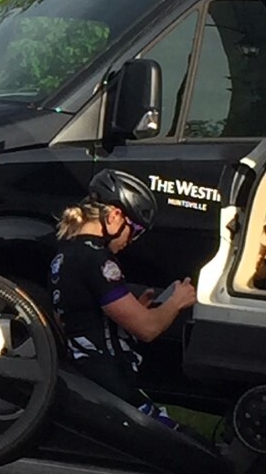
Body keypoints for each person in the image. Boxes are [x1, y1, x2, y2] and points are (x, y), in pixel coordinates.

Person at [49, 168, 197, 428]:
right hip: (110, 380)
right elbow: (147, 329)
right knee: (191, 452)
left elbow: (73, 319)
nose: (133, 239)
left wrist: (134, 309)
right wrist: (177, 301)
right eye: (136, 229)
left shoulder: (64, 255)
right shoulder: (97, 259)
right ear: (115, 216)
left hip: (85, 377)